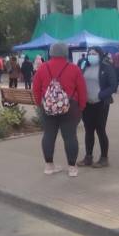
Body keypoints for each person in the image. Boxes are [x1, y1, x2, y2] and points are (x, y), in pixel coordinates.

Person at [32, 42, 87, 177]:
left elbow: (35, 89)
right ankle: (72, 168)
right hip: (70, 107)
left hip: (48, 107)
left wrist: (40, 104)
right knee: (70, 137)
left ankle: (49, 166)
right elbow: (82, 90)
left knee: (49, 135)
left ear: (51, 53)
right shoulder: (74, 68)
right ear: (65, 52)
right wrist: (81, 106)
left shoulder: (42, 68)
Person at [77, 47, 116, 168]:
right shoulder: (84, 66)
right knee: (88, 131)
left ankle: (104, 158)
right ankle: (88, 157)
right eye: (90, 53)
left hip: (101, 104)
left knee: (100, 130)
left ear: (100, 55)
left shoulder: (106, 67)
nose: (91, 55)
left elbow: (113, 85)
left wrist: (101, 95)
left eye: (94, 54)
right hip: (87, 104)